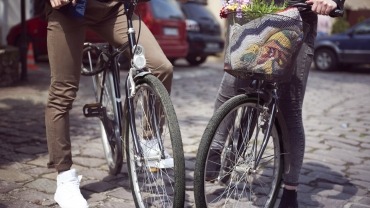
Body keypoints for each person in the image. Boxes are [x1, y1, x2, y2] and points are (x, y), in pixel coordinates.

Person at [206, 0, 344, 207]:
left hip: (298, 20)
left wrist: (333, 1)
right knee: (232, 82)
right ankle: (214, 149)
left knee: (290, 109)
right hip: (256, 14)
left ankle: (290, 191)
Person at [45, 0, 174, 207]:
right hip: (68, 11)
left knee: (160, 67)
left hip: (113, 9)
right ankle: (65, 178)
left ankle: (149, 141)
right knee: (62, 93)